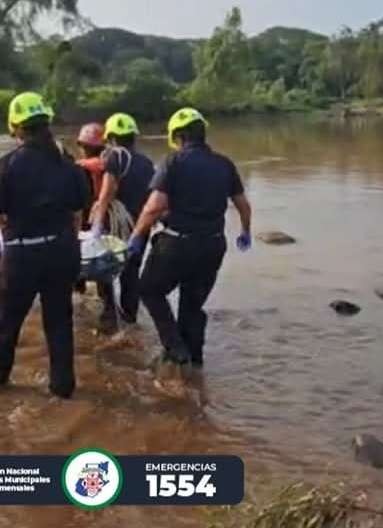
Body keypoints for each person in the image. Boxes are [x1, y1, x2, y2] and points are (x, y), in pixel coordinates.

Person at [0, 92, 90, 399]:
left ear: (15, 126)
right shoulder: (69, 164)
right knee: (59, 325)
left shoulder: (7, 166)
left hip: (21, 256)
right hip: (62, 252)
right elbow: (77, 215)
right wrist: (68, 248)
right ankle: (63, 390)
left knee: (4, 327)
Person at [127, 108, 252, 367]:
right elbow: (243, 205)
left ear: (178, 136)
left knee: (149, 290)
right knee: (192, 306)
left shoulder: (173, 162)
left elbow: (153, 207)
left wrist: (137, 236)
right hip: (213, 245)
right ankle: (194, 362)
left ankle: (175, 347)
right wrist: (245, 232)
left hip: (177, 244)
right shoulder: (224, 164)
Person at [88, 113, 154, 324]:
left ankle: (109, 316)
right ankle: (130, 318)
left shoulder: (114, 156)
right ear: (134, 136)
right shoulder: (146, 162)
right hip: (139, 226)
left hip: (116, 227)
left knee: (104, 270)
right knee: (131, 274)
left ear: (111, 138)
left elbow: (106, 193)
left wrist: (96, 224)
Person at [74, 122, 118, 333]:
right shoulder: (111, 166)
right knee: (103, 272)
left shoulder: (79, 168)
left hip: (81, 223)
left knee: (76, 271)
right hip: (104, 221)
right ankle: (110, 315)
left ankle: (80, 312)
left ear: (83, 146)